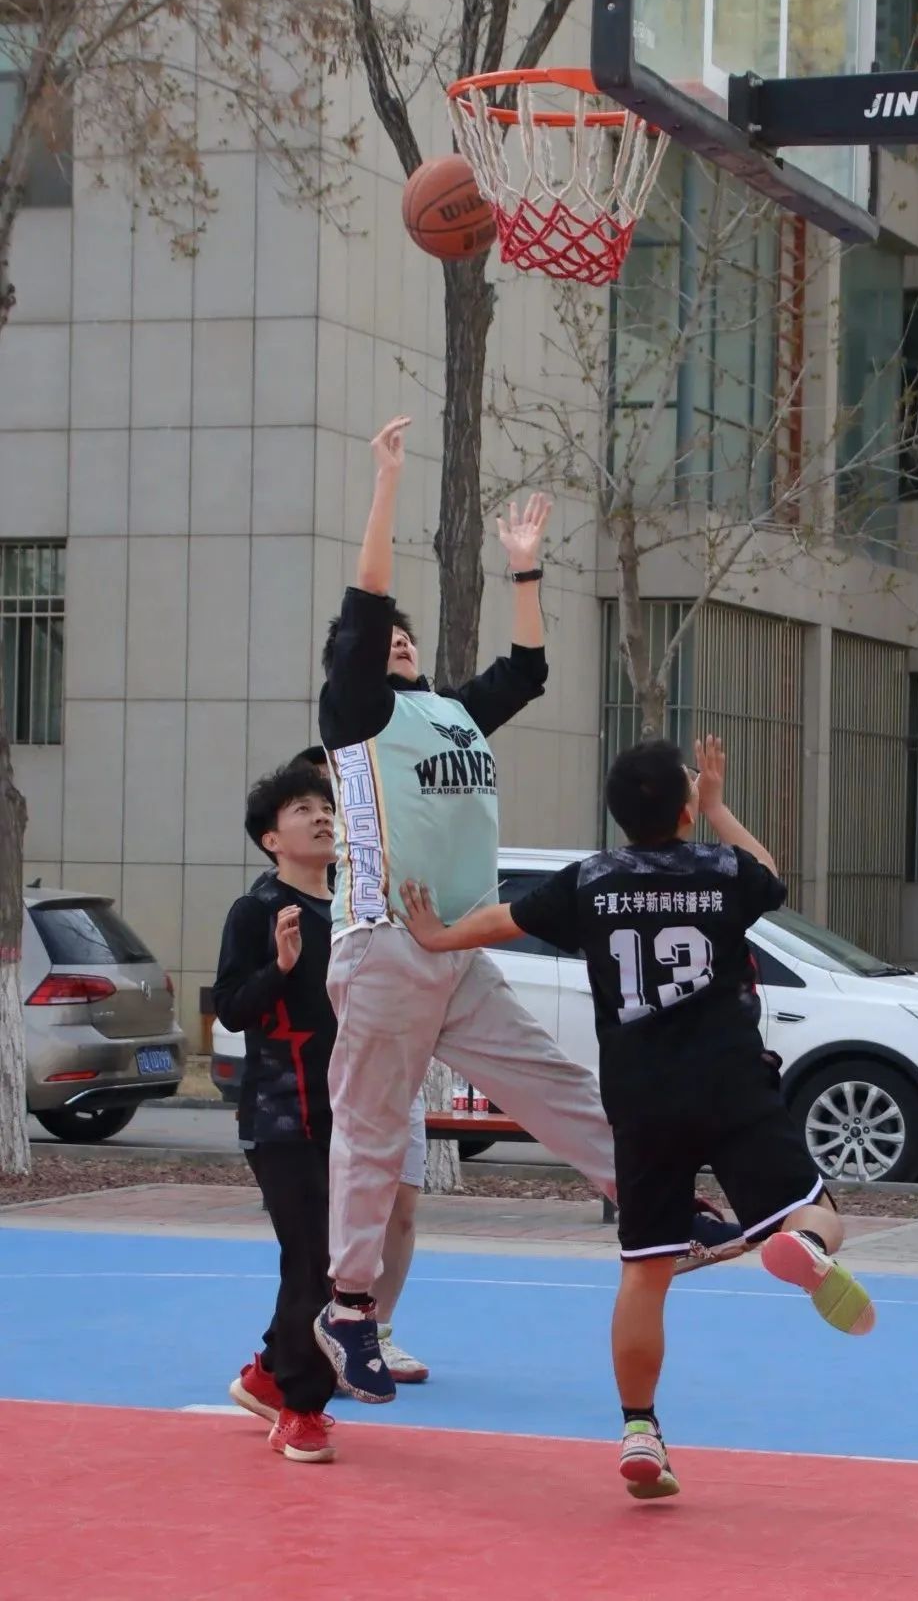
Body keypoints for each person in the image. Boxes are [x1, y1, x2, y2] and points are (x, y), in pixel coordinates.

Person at [401, 735, 876, 1500]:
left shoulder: (590, 881)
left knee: (646, 1271)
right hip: (729, 1079)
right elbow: (770, 874)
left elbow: (502, 922)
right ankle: (804, 1245)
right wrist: (720, 808)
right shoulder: (722, 872)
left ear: (617, 814)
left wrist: (437, 936)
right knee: (814, 1210)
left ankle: (639, 1429)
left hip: (643, 1099)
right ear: (686, 809)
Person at [312, 413, 627, 1403]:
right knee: (372, 1134)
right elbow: (369, 596)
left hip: (455, 950)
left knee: (551, 1078)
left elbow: (527, 670)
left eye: (409, 635)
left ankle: (648, 1197)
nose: (400, 639)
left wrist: (525, 568)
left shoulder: (451, 711)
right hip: (383, 946)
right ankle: (348, 1308)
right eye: (387, 636)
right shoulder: (358, 714)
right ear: (360, 658)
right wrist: (387, 484)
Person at [286, 746, 428, 1386]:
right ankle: (310, 1340)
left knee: (401, 1207)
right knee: (330, 1217)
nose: (328, 812)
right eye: (313, 802)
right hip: (326, 1081)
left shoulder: (389, 878)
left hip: (396, 1062)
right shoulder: (284, 905)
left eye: (333, 800)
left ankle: (377, 1331)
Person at [214, 760, 341, 1463]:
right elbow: (233, 1008)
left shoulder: (351, 905)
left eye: (326, 806)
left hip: (350, 1112)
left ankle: (268, 1371)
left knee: (340, 1260)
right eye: (302, 809)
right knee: (313, 1257)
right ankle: (301, 1407)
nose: (321, 817)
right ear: (271, 839)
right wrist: (282, 966)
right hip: (282, 1115)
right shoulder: (257, 911)